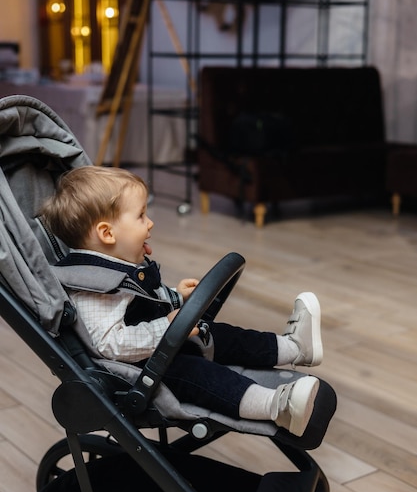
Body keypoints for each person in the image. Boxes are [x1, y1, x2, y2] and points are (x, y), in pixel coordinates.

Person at [40, 166, 324, 437]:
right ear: (107, 233)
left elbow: (141, 302)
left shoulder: (116, 264)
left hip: (164, 347)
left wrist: (176, 296)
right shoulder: (93, 287)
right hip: (148, 372)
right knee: (202, 376)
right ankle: (277, 407)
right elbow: (109, 344)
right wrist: (166, 327)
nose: (150, 223)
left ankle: (295, 348)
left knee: (222, 335)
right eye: (140, 216)